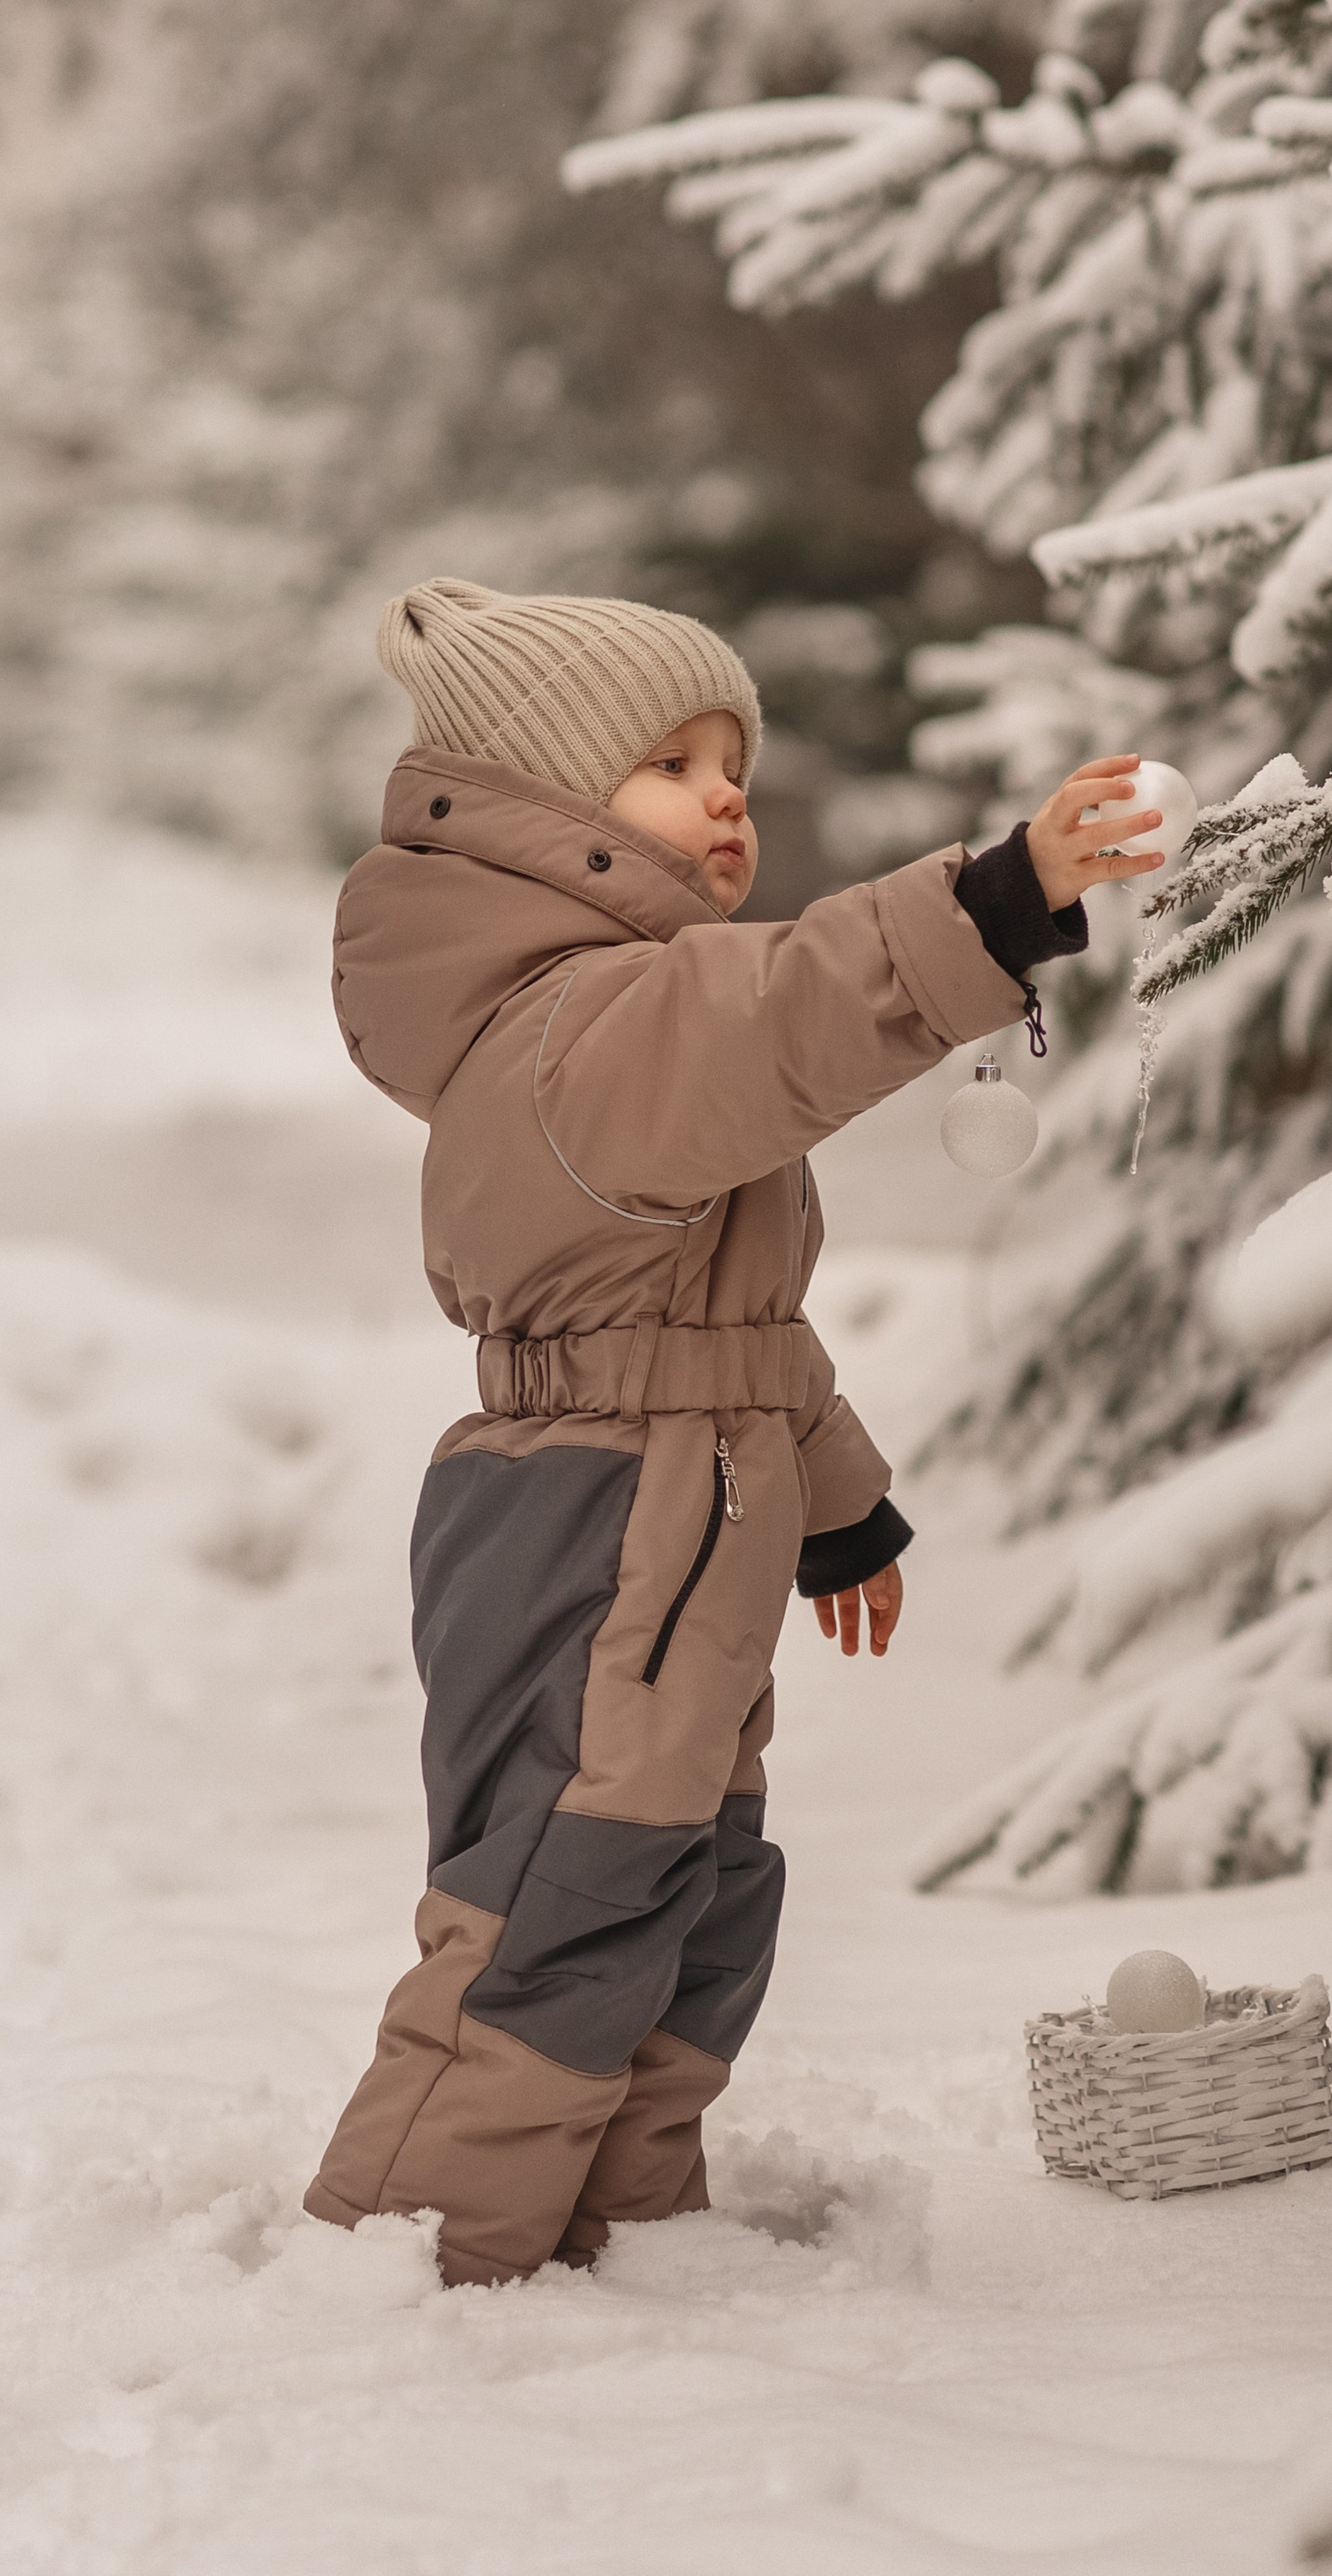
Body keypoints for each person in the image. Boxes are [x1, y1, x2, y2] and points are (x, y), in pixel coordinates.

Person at [304, 575, 1162, 2286]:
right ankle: (410, 2257)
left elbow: (719, 1325)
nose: (723, 800)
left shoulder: (614, 1010)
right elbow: (788, 1014)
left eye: (734, 769)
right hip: (599, 1521)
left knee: (685, 1883)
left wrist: (836, 1500)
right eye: (668, 766)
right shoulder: (581, 1029)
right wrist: (992, 904)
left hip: (677, 1510)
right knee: (561, 1890)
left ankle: (618, 2229)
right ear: (544, 808)